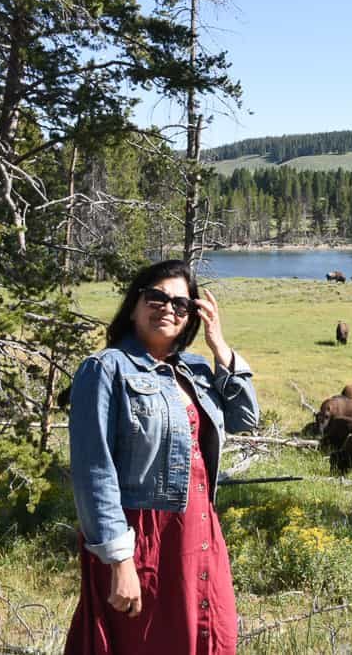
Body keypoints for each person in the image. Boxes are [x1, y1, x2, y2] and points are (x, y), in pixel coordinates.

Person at [64, 259, 259, 655]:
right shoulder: (105, 370)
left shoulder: (197, 370)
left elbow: (245, 417)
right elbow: (93, 472)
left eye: (181, 305)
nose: (168, 309)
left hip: (199, 531)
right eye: (157, 298)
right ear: (134, 304)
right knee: (143, 641)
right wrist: (120, 561)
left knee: (205, 636)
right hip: (143, 538)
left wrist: (219, 346)